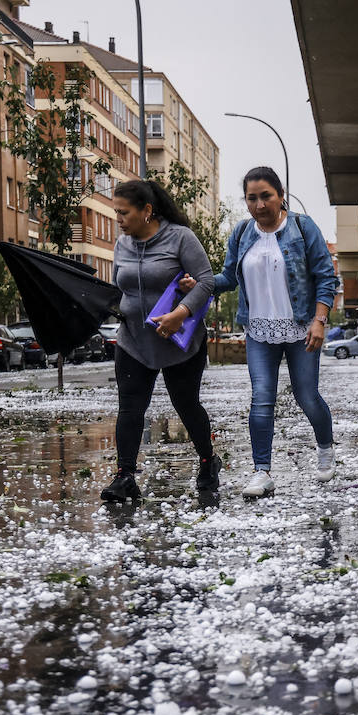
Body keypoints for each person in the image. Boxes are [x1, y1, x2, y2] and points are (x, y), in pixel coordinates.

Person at [210, 166, 338, 497]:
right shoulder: (241, 233)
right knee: (261, 399)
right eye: (251, 198)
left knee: (306, 397)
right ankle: (261, 471)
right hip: (258, 330)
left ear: (280, 195)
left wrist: (319, 320)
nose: (259, 204)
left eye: (266, 196)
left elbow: (326, 276)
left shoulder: (301, 227)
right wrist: (200, 284)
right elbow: (228, 278)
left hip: (302, 329)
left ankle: (325, 448)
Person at [99, 179, 220, 503]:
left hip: (180, 341)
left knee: (186, 404)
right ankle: (125, 476)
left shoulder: (180, 237)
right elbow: (119, 287)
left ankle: (208, 461)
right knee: (130, 408)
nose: (119, 220)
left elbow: (206, 281)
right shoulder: (122, 244)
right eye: (116, 213)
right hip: (133, 340)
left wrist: (180, 312)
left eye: (124, 213)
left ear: (147, 211)